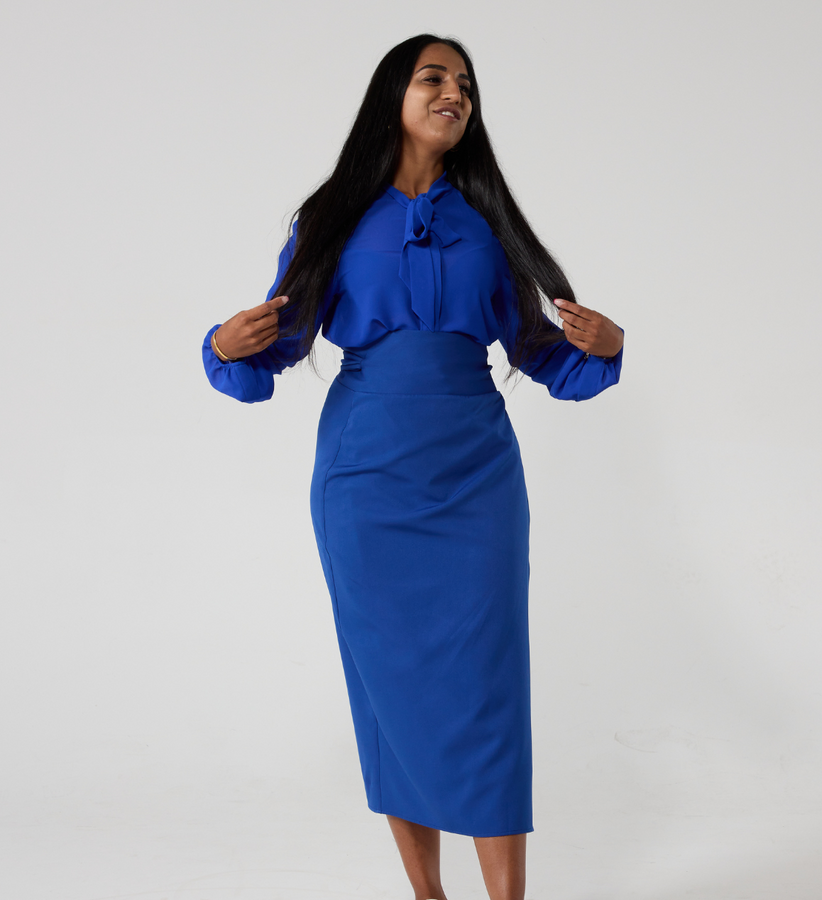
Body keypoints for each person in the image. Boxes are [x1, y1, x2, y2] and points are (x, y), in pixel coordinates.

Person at [202, 33, 624, 900]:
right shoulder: (329, 219)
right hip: (366, 476)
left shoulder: (489, 225)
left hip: (476, 475)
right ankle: (427, 896)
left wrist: (607, 348)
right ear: (392, 94)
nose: (454, 94)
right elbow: (273, 345)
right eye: (435, 78)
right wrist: (223, 345)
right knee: (392, 684)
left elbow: (548, 356)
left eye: (465, 84)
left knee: (488, 683)